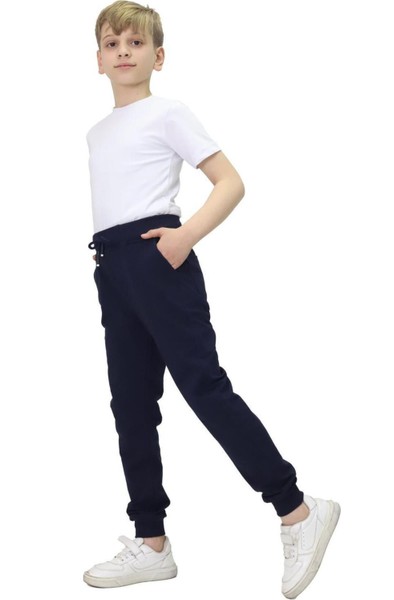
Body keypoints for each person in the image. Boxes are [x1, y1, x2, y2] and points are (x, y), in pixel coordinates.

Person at [83, 1, 341, 597]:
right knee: (130, 406)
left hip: (158, 259)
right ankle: (151, 542)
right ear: (98, 60)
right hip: (112, 268)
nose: (123, 51)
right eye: (112, 43)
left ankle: (298, 510)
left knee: (204, 387)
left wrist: (184, 238)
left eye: (135, 43)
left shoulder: (168, 112)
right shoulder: (96, 132)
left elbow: (230, 182)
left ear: (158, 56)